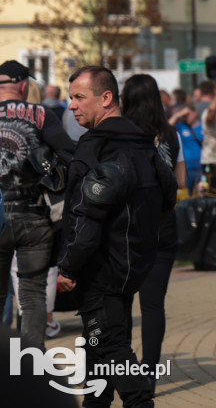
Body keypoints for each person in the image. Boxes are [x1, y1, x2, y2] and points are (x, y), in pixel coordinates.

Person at [57, 66, 176, 408]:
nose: (72, 106)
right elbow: (168, 194)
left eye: (80, 97)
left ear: (106, 98)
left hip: (101, 272)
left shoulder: (95, 150)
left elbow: (85, 219)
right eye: (70, 98)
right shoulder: (142, 144)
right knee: (98, 347)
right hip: (129, 268)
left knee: (111, 347)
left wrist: (68, 267)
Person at [0, 60, 75, 351]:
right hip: (33, 216)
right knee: (32, 295)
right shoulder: (41, 114)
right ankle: (29, 368)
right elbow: (69, 154)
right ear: (23, 85)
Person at [121, 74, 187, 392]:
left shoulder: (121, 133)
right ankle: (149, 373)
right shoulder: (171, 133)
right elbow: (182, 180)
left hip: (127, 228)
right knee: (152, 305)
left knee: (119, 303)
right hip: (164, 225)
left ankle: (120, 367)